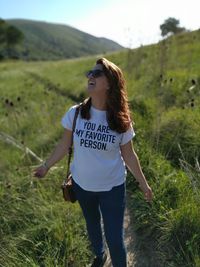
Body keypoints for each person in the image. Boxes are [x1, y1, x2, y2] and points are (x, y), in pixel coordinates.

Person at [34, 57, 153, 267]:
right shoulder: (76, 113)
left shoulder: (121, 120)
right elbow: (63, 145)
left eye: (97, 73)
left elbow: (129, 156)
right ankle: (99, 256)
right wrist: (46, 166)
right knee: (92, 225)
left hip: (112, 188)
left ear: (110, 83)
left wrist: (144, 184)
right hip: (82, 185)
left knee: (115, 239)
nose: (90, 76)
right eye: (90, 72)